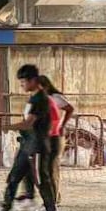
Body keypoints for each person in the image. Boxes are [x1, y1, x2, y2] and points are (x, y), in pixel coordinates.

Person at [0, 64, 59, 211]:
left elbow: (28, 123)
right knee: (14, 177)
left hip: (38, 147)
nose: (21, 85)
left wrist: (3, 128)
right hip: (27, 145)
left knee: (42, 181)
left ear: (33, 80)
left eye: (23, 82)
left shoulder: (41, 99)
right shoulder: (32, 98)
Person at [38, 75, 74, 204]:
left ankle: (52, 199)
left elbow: (70, 109)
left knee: (51, 168)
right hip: (46, 135)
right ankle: (53, 197)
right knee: (47, 168)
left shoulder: (55, 98)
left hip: (55, 136)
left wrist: (63, 125)